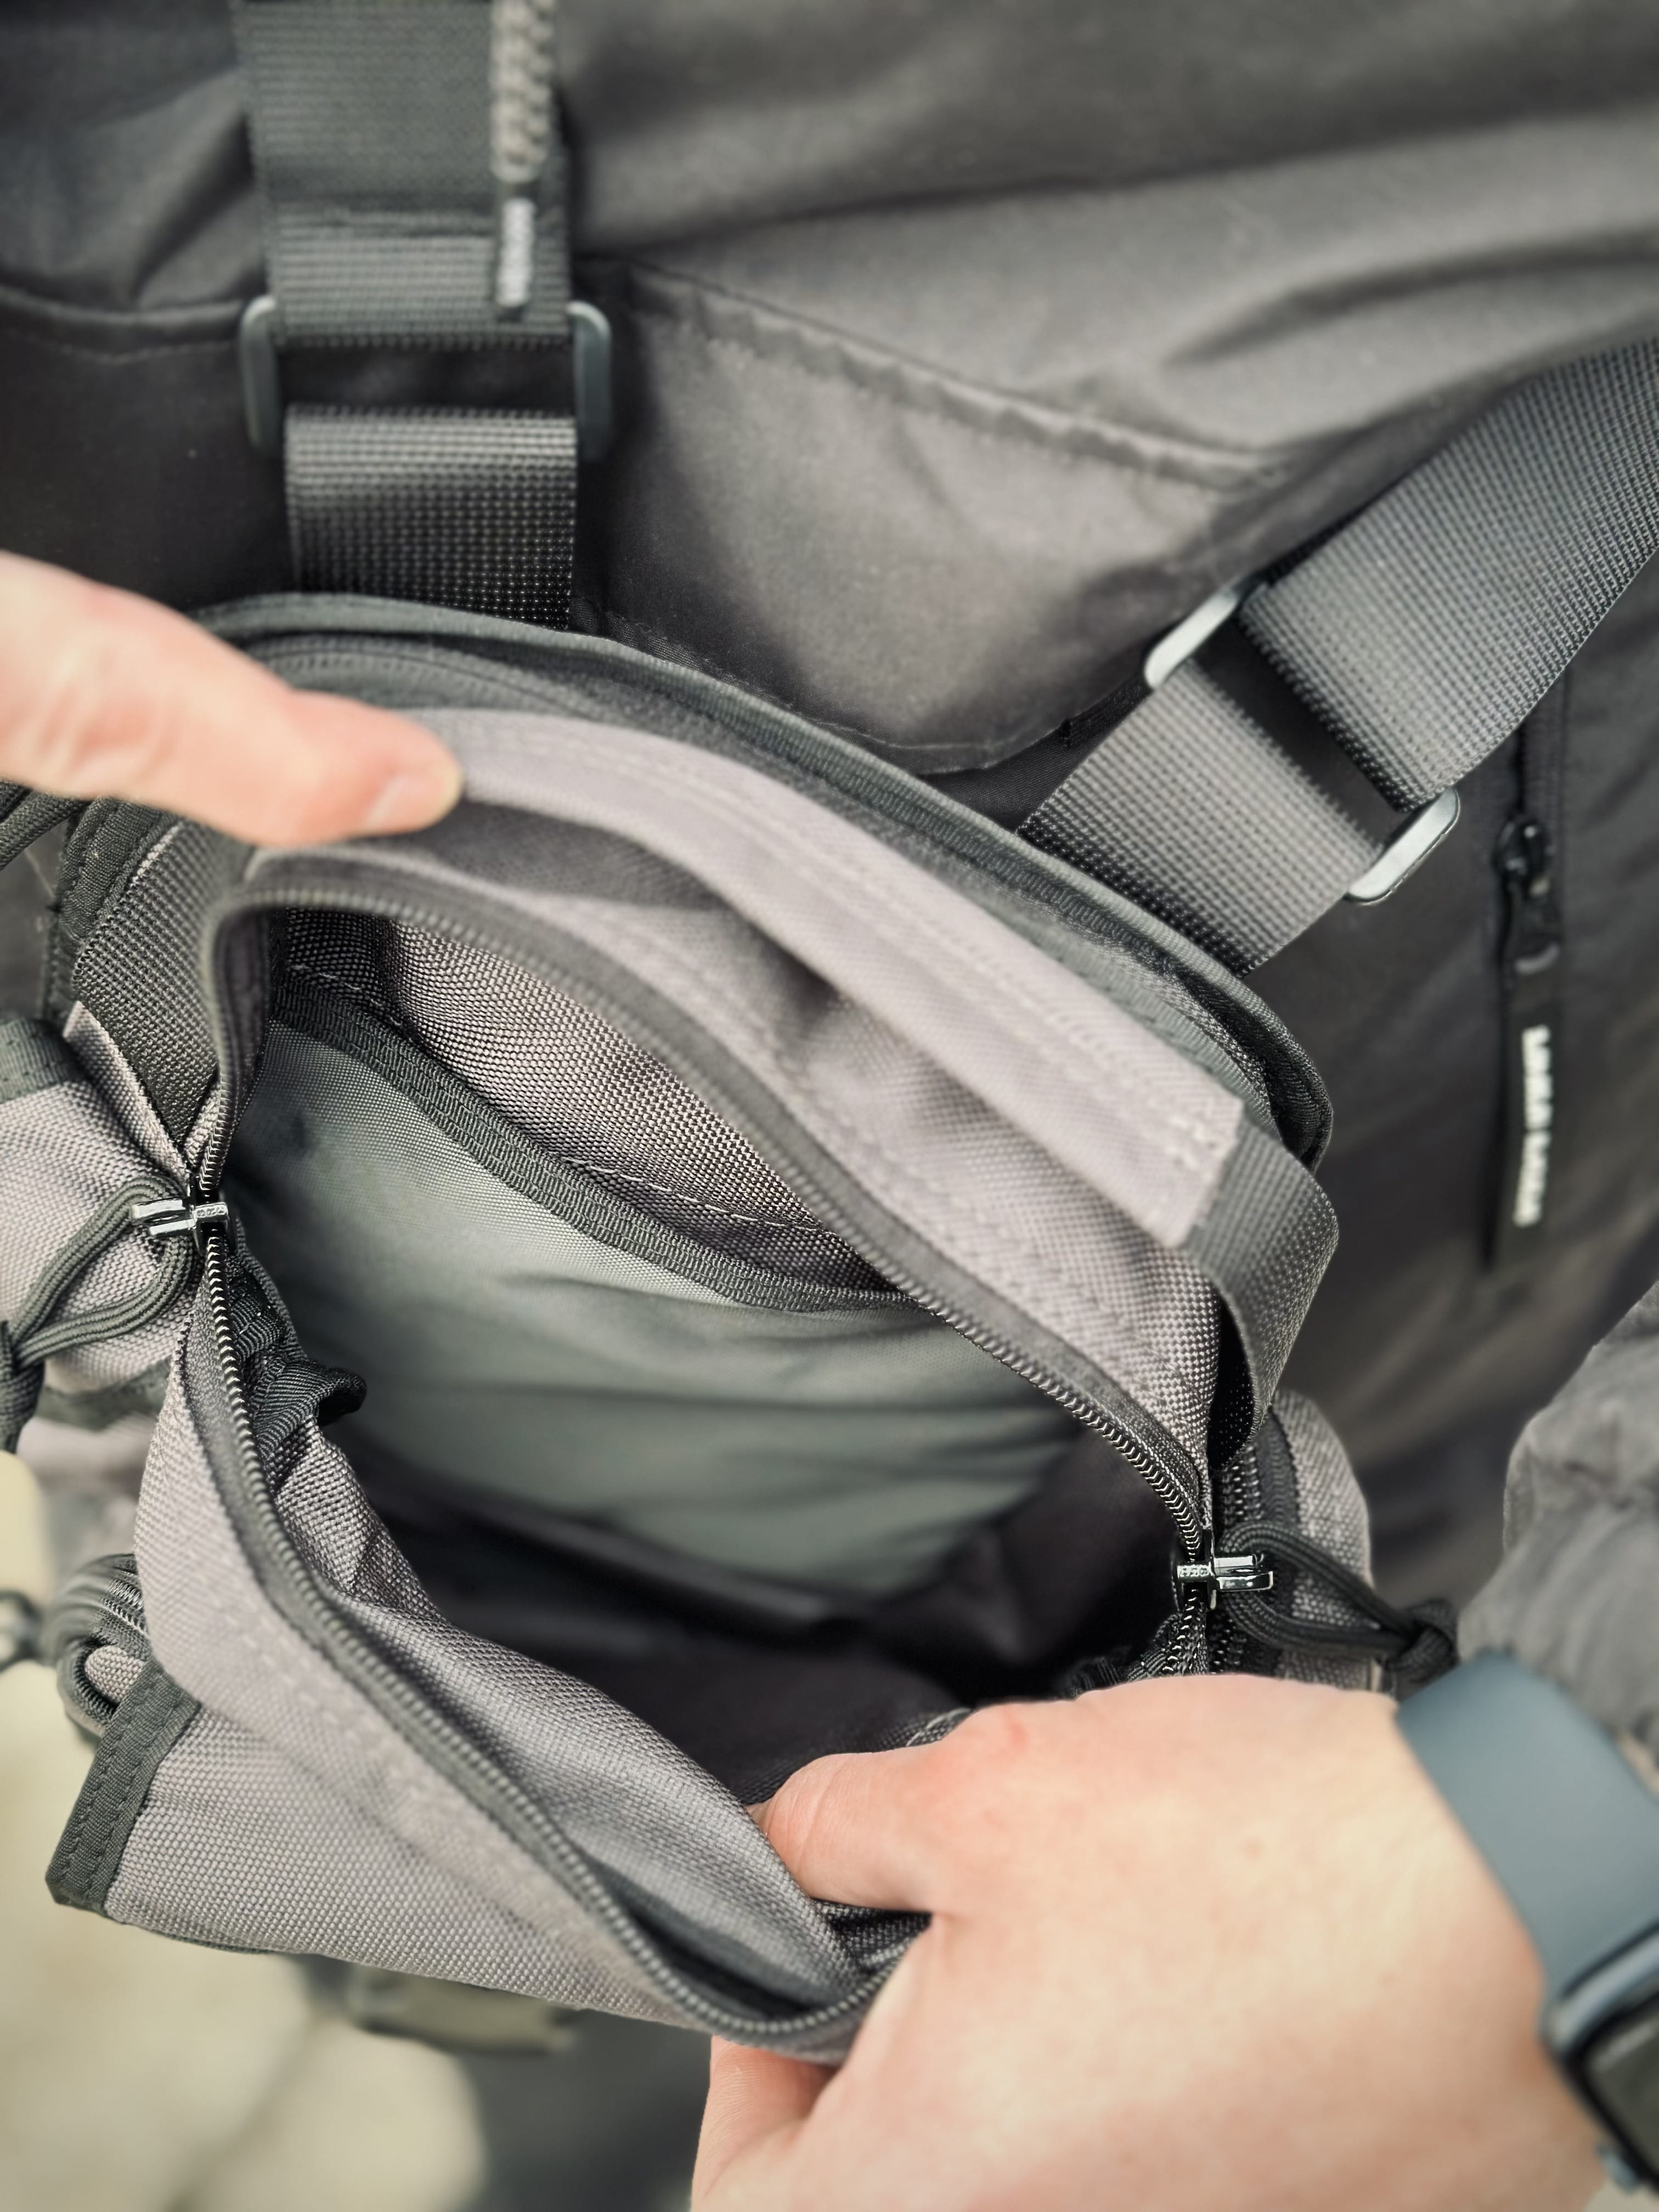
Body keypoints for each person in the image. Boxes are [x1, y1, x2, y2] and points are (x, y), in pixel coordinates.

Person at [0, 551, 1604, 2211]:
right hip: (1396, 1224)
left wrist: (1577, 1845)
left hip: (1455, 1313)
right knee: (551, 1946)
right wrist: (1571, 1864)